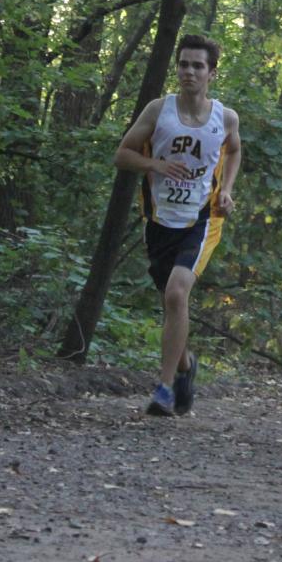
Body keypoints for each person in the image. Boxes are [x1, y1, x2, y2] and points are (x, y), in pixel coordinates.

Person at [114, 34, 241, 416]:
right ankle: (185, 367)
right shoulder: (158, 111)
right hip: (159, 220)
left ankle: (165, 389)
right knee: (173, 303)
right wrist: (154, 165)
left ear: (211, 74)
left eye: (197, 66)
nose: (189, 72)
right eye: (184, 64)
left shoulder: (225, 117)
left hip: (201, 220)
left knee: (176, 292)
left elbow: (234, 149)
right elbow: (122, 154)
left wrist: (227, 190)